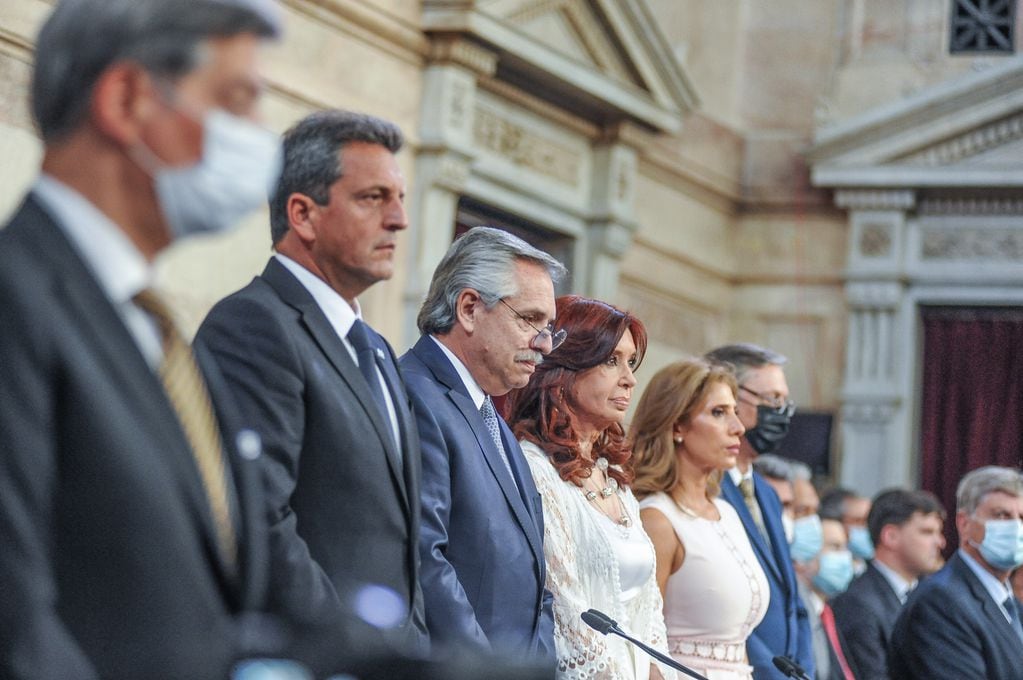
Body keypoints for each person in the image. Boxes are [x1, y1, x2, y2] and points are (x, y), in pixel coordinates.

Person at [0, 1, 284, 678]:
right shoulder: (15, 302)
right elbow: (18, 632)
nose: (258, 138)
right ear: (127, 100)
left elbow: (230, 607)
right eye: (234, 100)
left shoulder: (157, 332)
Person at [196, 110, 427, 651]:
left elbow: (398, 538)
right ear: (302, 214)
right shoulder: (252, 325)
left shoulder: (376, 349)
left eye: (400, 198)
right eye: (373, 198)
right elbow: (259, 520)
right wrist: (357, 648)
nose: (399, 220)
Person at [400, 226, 563, 657]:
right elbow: (425, 558)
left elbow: (536, 577)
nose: (544, 344)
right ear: (470, 308)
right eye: (530, 320)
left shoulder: (490, 413)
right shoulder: (415, 394)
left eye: (549, 327)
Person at [505, 295, 672, 680]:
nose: (629, 378)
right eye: (611, 361)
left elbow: (648, 610)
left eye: (631, 362)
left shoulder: (611, 472)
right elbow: (566, 609)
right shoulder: (534, 468)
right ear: (564, 371)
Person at [633, 358, 768, 680]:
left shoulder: (729, 514)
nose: (738, 427)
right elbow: (642, 643)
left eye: (735, 412)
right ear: (677, 425)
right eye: (718, 413)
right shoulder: (657, 519)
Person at [704, 344, 814, 680]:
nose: (782, 413)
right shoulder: (706, 488)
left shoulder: (766, 492)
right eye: (772, 401)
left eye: (785, 402)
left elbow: (792, 599)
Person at [889, 466, 1023, 680]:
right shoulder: (941, 602)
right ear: (965, 524)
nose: (1016, 527)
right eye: (1001, 515)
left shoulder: (1011, 604)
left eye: (1021, 517)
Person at [831, 489, 945, 680]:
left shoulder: (935, 595)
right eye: (927, 532)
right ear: (890, 536)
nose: (940, 542)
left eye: (939, 532)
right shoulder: (858, 604)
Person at [792, 517, 857, 680]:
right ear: (803, 555)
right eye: (834, 547)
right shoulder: (795, 614)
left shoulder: (828, 611)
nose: (845, 556)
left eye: (845, 547)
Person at [820, 487, 874, 570]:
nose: (867, 527)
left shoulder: (866, 568)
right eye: (859, 521)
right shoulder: (827, 568)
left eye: (870, 522)